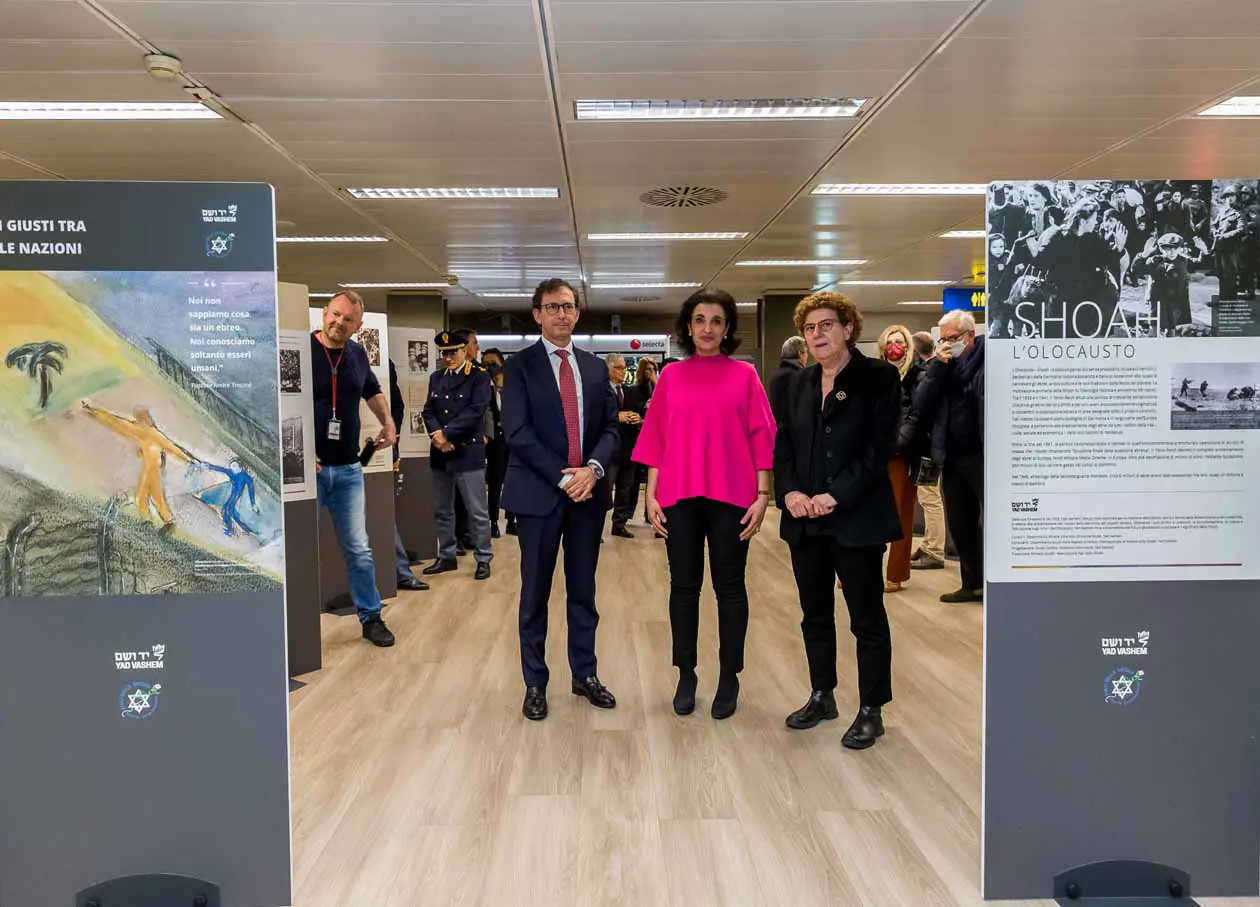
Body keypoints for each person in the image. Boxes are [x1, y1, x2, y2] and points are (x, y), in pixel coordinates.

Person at [634, 289, 775, 719]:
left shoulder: (745, 375)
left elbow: (761, 435)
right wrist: (650, 495)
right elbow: (656, 438)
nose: (708, 328)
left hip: (733, 495)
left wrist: (764, 495)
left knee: (730, 589)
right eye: (700, 320)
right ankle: (687, 672)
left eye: (716, 320)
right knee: (683, 587)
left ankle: (729, 675)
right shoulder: (672, 377)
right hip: (679, 494)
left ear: (727, 328)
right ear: (689, 326)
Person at [773, 291, 902, 747]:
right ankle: (822, 694)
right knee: (814, 614)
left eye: (827, 325)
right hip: (805, 521)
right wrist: (787, 491)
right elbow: (783, 444)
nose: (817, 334)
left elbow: (877, 449)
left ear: (848, 328)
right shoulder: (797, 384)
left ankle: (872, 708)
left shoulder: (879, 378)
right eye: (810, 328)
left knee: (865, 617)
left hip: (856, 520)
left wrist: (834, 495)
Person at [501, 278, 621, 721]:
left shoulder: (593, 367)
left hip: (588, 496)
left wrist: (592, 470)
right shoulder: (519, 368)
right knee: (534, 592)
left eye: (568, 307)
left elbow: (612, 428)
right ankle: (535, 682)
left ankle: (584, 673)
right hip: (539, 496)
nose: (562, 315)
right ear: (537, 314)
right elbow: (516, 432)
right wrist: (562, 477)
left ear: (577, 313)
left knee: (583, 590)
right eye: (552, 307)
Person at [310, 291, 397, 647]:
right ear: (323, 313)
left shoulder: (358, 355)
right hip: (307, 474)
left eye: (347, 320)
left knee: (359, 549)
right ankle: (290, 622)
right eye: (335, 315)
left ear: (358, 326)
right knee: (297, 548)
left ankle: (371, 616)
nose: (338, 323)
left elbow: (372, 391)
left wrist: (388, 422)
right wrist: (297, 456)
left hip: (347, 469)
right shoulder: (298, 352)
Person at [913, 310, 985, 603]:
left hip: (984, 454)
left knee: (994, 522)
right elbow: (921, 403)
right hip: (952, 457)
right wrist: (936, 369)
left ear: (969, 335)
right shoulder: (940, 366)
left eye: (952, 338)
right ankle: (972, 583)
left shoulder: (988, 360)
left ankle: (998, 583)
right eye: (942, 338)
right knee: (960, 522)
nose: (946, 343)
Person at [421, 330, 493, 581]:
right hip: (441, 451)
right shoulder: (436, 377)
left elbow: (476, 412)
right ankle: (447, 555)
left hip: (466, 450)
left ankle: (483, 557)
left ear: (465, 351)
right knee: (442, 509)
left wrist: (447, 435)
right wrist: (436, 435)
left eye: (453, 352)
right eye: (444, 353)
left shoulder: (479, 377)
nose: (448, 357)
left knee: (476, 510)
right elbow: (428, 411)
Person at [80, 402, 196, 534]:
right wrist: (94, 412)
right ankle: (154, 522)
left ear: (144, 419)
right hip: (152, 468)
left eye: (138, 418)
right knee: (146, 496)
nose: (136, 421)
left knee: (150, 497)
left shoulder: (148, 432)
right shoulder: (147, 431)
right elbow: (116, 422)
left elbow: (117, 423)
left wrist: (189, 460)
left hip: (153, 469)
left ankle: (162, 522)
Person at [877, 324, 925, 593]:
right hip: (873, 450)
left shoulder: (917, 373)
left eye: (900, 341)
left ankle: (895, 573)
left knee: (900, 512)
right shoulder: (875, 374)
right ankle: (861, 569)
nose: (895, 346)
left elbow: (916, 414)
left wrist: (897, 444)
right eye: (890, 341)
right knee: (867, 511)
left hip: (901, 453)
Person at [388, 357, 428, 591]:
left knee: (382, 513)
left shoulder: (382, 363)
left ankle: (400, 572)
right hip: (321, 460)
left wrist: (393, 447)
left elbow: (396, 406)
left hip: (376, 452)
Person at [909, 331, 945, 571]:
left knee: (929, 496)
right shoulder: (931, 370)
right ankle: (929, 543)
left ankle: (935, 549)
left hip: (929, 448)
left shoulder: (931, 373)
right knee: (927, 496)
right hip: (930, 445)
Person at [605, 353, 646, 538]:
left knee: (625, 488)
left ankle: (619, 524)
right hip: (609, 450)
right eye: (618, 368)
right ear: (608, 369)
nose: (623, 371)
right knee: (604, 490)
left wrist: (638, 419)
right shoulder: (600, 392)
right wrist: (617, 417)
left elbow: (638, 414)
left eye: (624, 367)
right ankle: (594, 527)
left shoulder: (630, 392)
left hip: (629, 449)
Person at [482, 347, 510, 538]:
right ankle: (493, 521)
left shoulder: (511, 385)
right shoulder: (483, 386)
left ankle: (512, 519)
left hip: (512, 439)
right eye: (486, 364)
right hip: (494, 441)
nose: (490, 367)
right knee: (495, 482)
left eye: (493, 364)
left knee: (513, 480)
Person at [769, 336, 808, 423]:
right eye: (806, 352)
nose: (807, 357)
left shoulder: (776, 376)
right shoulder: (799, 376)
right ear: (800, 353)